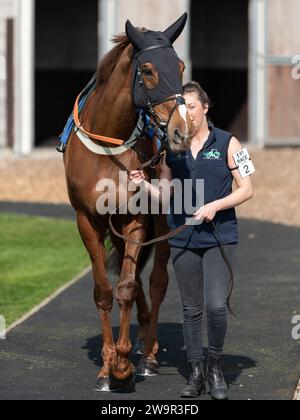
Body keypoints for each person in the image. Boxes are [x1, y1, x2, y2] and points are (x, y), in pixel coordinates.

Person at [129, 81, 254, 400]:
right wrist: (143, 185)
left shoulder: (229, 142)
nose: (187, 113)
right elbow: (165, 196)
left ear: (206, 107)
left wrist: (215, 205)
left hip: (219, 238)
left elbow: (247, 189)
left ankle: (215, 368)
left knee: (215, 306)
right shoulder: (174, 148)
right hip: (183, 239)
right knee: (191, 308)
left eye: (193, 107)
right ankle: (196, 372)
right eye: (183, 108)